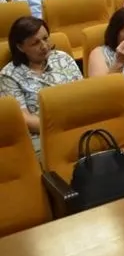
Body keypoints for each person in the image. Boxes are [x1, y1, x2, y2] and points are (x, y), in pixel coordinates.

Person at [0, 16, 82, 154]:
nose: (44, 46)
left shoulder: (62, 58)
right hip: (42, 135)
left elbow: (83, 93)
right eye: (35, 43)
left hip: (79, 124)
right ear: (20, 47)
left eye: (45, 38)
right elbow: (23, 119)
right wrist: (60, 128)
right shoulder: (9, 75)